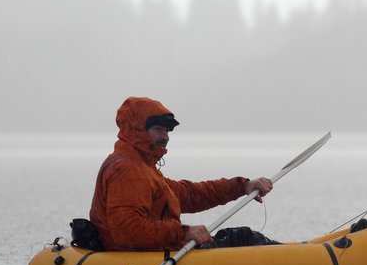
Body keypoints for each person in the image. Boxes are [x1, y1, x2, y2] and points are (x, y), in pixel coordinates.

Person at [89, 96, 274, 251]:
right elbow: (127, 232)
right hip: (138, 258)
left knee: (240, 237)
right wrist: (183, 232)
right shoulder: (126, 170)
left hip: (161, 250)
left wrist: (243, 186)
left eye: (167, 131)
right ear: (137, 131)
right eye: (158, 129)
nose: (166, 137)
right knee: (242, 238)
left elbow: (190, 194)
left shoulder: (144, 169)